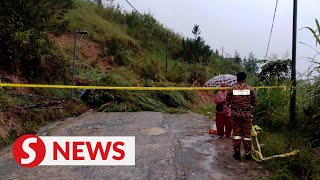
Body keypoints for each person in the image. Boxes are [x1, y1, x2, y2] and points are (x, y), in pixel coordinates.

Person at [226, 72, 257, 160]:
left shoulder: (231, 89)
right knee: (247, 134)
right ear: (245, 79)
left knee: (237, 134)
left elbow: (227, 102)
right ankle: (248, 154)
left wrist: (233, 107)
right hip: (246, 114)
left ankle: (237, 153)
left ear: (237, 79)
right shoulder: (250, 89)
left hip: (235, 114)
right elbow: (254, 103)